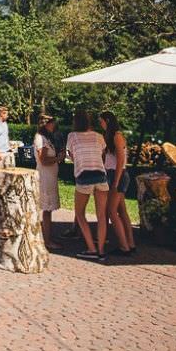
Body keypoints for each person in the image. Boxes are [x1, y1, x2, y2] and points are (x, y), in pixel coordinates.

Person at [65, 109, 108, 260]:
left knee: (80, 213)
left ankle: (91, 248)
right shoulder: (99, 136)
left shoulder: (72, 136)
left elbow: (71, 155)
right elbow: (102, 155)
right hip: (101, 175)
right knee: (102, 215)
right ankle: (101, 251)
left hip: (83, 175)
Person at [99, 111, 135, 255]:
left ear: (107, 121)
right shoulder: (108, 137)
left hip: (117, 175)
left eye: (101, 121)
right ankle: (130, 243)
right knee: (122, 211)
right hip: (112, 174)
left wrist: (116, 182)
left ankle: (124, 246)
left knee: (111, 211)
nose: (100, 124)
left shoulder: (117, 136)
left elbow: (120, 161)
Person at [33, 113, 63, 250]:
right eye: (52, 123)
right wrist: (57, 158)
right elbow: (43, 160)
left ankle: (47, 236)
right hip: (45, 176)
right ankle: (47, 239)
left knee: (47, 210)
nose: (54, 126)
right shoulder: (41, 139)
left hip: (50, 176)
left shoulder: (46, 138)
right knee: (46, 209)